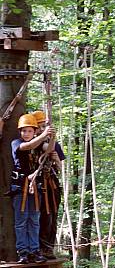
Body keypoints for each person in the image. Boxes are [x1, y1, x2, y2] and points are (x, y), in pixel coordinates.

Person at [9, 114, 52, 264]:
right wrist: (44, 135)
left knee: (34, 220)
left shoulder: (40, 144)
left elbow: (49, 149)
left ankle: (35, 250)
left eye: (29, 131)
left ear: (34, 131)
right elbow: (28, 146)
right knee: (21, 221)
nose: (26, 134)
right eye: (23, 131)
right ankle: (23, 252)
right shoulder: (16, 143)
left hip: (36, 189)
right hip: (20, 188)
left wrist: (52, 136)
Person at [32, 110, 64, 259]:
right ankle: (37, 247)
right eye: (40, 126)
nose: (42, 129)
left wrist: (56, 160)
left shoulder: (53, 144)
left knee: (52, 216)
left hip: (51, 184)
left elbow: (60, 167)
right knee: (40, 216)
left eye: (43, 125)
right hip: (37, 184)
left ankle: (48, 248)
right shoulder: (33, 143)